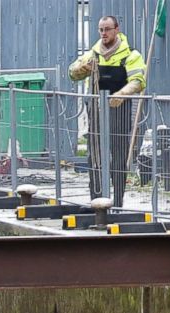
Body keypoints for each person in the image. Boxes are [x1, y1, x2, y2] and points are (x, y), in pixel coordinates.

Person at [68, 15, 146, 207]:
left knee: (119, 156)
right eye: (101, 30)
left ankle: (117, 201)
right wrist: (81, 69)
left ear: (116, 29)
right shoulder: (93, 54)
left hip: (119, 111)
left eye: (107, 29)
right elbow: (72, 73)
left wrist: (121, 95)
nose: (104, 33)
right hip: (95, 111)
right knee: (94, 155)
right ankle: (96, 201)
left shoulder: (131, 54)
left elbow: (138, 81)